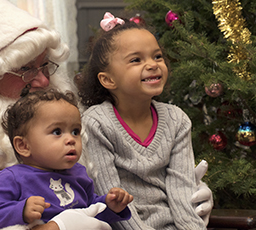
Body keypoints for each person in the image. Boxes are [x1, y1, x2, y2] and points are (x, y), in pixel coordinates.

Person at [0, 1, 211, 229]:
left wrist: (178, 196)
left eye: (46, 66)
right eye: (26, 69)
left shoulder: (71, 124)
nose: (43, 81)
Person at [77, 12, 211, 230]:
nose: (153, 64)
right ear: (108, 79)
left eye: (157, 56)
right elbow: (111, 201)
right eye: (136, 60)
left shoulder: (177, 120)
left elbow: (181, 189)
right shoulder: (96, 123)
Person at [0, 88, 133, 230]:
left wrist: (109, 205)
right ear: (24, 146)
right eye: (57, 132)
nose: (71, 139)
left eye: (75, 131)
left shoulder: (79, 173)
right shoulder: (14, 177)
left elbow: (90, 211)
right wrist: (20, 210)